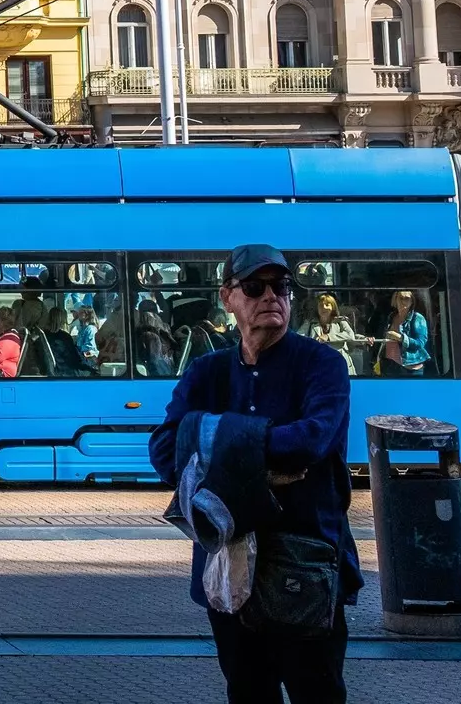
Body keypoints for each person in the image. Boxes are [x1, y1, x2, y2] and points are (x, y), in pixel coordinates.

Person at [149, 244, 359, 704]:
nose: (271, 297)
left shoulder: (323, 366)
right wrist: (259, 455)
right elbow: (165, 453)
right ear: (228, 297)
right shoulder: (206, 372)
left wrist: (211, 442)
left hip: (304, 569)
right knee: (246, 693)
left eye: (281, 287)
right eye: (254, 287)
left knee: (317, 694)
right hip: (228, 575)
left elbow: (310, 441)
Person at [307, 293, 363, 376]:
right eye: (321, 305)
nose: (324, 308)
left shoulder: (341, 321)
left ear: (333, 307)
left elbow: (350, 336)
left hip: (341, 365)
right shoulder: (310, 324)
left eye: (327, 305)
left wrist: (328, 337)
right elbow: (299, 335)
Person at [381, 289, 429, 376]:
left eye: (407, 298)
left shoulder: (417, 318)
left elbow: (420, 343)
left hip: (410, 369)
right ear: (395, 300)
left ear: (412, 301)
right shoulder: (391, 317)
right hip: (391, 364)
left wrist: (400, 338)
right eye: (400, 298)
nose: (403, 301)